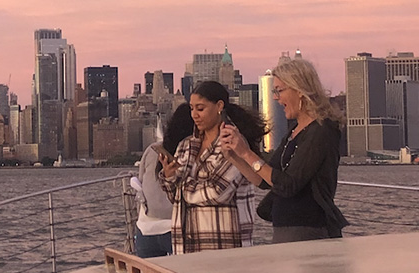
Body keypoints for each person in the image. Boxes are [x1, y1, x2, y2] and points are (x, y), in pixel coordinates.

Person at [220, 58, 348, 243]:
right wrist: (235, 156)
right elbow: (265, 180)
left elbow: (288, 184)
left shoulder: (321, 130)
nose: (275, 97)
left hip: (308, 230)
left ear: (300, 90)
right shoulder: (295, 130)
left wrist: (248, 153)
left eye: (279, 90)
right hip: (285, 228)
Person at [159, 81, 267, 254]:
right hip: (186, 247)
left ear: (219, 106)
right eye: (192, 109)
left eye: (200, 109)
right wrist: (170, 177)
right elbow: (175, 199)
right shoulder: (185, 145)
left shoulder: (234, 143)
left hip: (225, 245)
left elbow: (218, 192)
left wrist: (180, 186)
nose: (194, 115)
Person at [134, 104, 193, 257]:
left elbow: (141, 180)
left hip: (147, 229)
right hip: (179, 229)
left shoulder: (152, 150)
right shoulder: (193, 151)